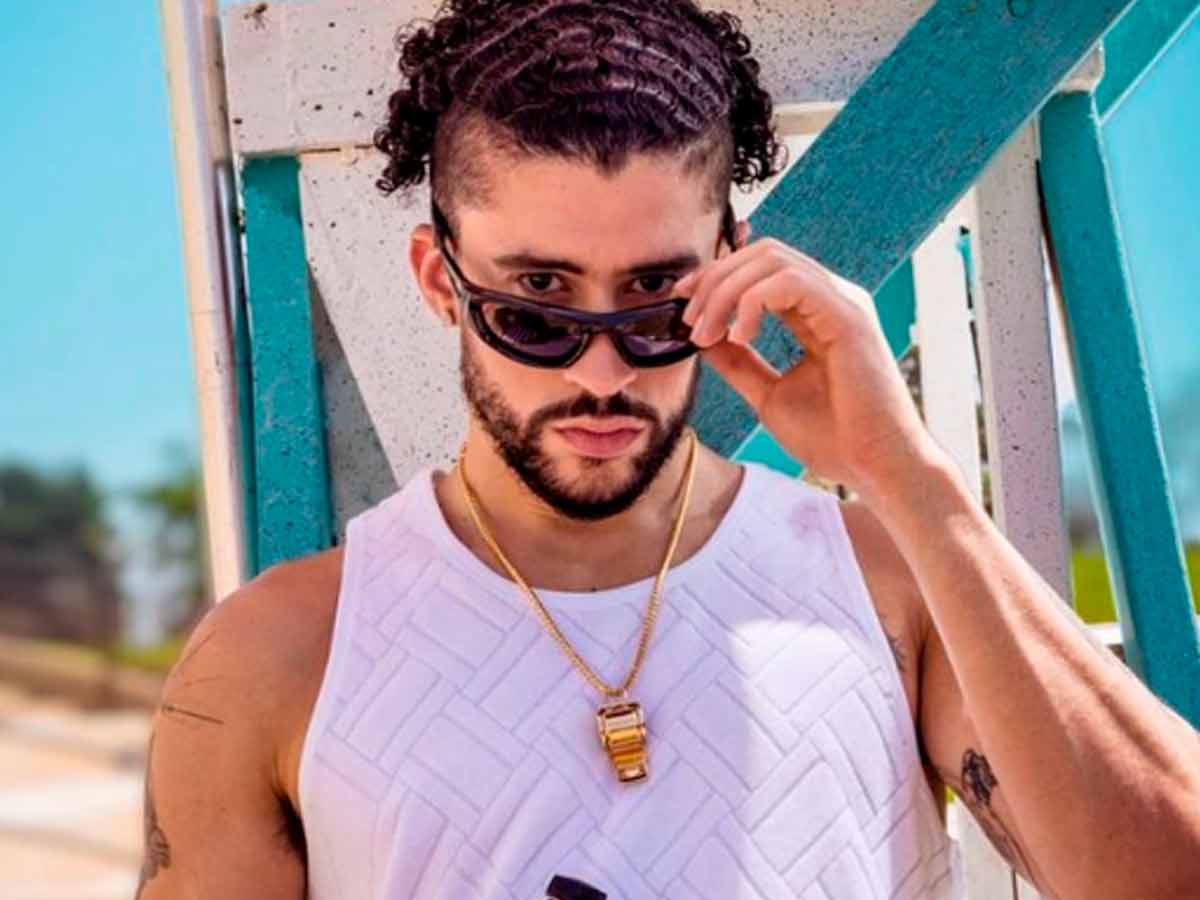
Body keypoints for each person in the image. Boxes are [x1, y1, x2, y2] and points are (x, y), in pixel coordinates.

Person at [137, 1, 1200, 898]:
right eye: (537, 304)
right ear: (438, 281)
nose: (602, 373)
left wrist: (910, 478)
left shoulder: (889, 586)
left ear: (730, 269)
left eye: (655, 299)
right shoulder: (277, 656)